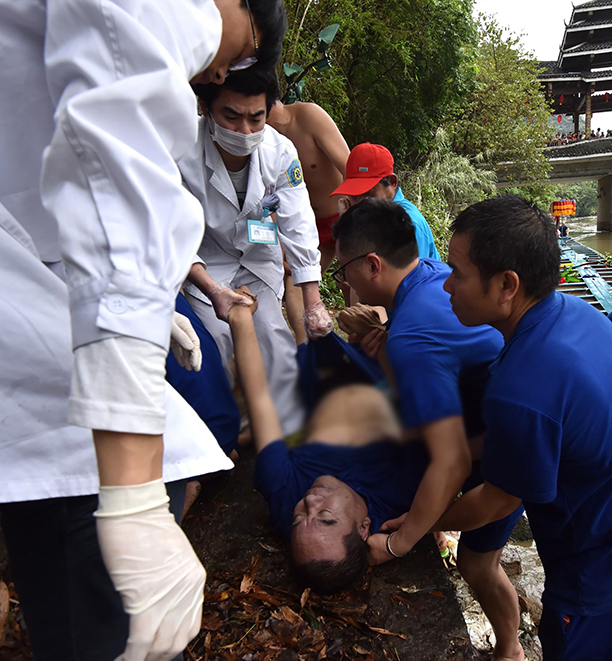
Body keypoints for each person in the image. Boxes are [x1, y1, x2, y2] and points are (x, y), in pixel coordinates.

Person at [0, 1, 286, 661]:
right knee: (93, 474)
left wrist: (126, 298)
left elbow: (54, 172)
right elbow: (115, 185)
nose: (221, 70)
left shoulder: (276, 154)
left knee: (56, 472)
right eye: (242, 50)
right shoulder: (175, 11)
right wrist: (135, 498)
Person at [433, 195, 612, 661]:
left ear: (507, 285)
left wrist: (424, 521)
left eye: (457, 273)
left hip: (609, 573)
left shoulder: (522, 384)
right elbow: (543, 431)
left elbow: (496, 502)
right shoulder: (574, 313)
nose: (447, 285)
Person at [332, 199, 527, 661]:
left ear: (372, 265)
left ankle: (511, 650)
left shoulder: (412, 331)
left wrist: (399, 543)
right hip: (482, 425)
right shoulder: (432, 276)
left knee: (476, 563)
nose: (343, 284)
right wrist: (382, 348)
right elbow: (422, 393)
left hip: (508, 445)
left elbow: (451, 458)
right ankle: (438, 529)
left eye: (342, 271)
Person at [224, 288, 426, 593]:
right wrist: (381, 342)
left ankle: (300, 308)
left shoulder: (284, 493)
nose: (309, 502)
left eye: (299, 518)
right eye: (325, 516)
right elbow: (422, 408)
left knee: (307, 343)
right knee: (376, 313)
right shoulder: (402, 495)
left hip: (313, 397)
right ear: (364, 528)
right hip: (384, 388)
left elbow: (260, 400)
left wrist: (239, 318)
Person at [182, 69, 331, 437]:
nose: (245, 130)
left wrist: (312, 302)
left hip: (258, 257)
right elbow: (169, 232)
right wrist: (211, 288)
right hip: (205, 260)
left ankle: (284, 429)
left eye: (256, 117)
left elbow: (298, 223)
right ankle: (224, 432)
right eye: (232, 116)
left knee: (272, 336)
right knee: (215, 340)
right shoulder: (180, 150)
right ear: (205, 108)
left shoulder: (280, 152)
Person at [267, 99, 350, 270]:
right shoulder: (261, 139)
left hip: (341, 218)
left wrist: (356, 222)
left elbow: (348, 168)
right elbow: (267, 197)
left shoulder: (308, 116)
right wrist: (278, 247)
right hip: (300, 227)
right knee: (294, 279)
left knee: (357, 280)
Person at [331, 143, 441, 260]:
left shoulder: (408, 224)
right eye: (354, 193)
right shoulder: (369, 218)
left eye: (367, 193)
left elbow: (414, 273)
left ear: (392, 182)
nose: (359, 202)